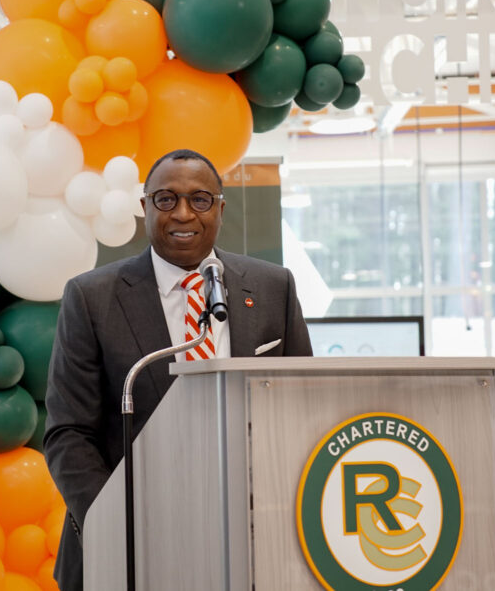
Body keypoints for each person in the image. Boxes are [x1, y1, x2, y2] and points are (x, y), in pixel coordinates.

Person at [43, 148, 313, 591]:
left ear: (220, 209)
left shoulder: (272, 287)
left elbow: (301, 410)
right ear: (145, 207)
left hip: (252, 540)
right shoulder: (92, 297)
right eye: (166, 199)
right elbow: (69, 433)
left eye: (200, 199)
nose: (183, 213)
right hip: (130, 546)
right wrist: (118, 525)